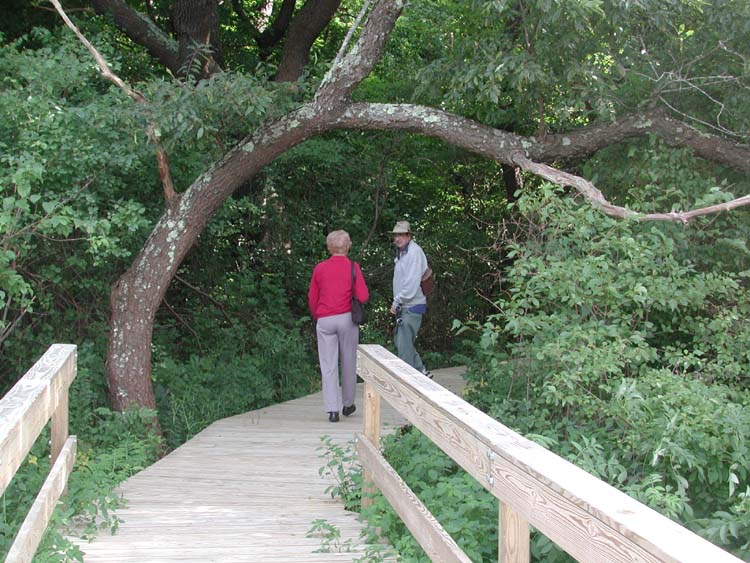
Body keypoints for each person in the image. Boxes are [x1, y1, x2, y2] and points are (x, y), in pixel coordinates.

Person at [308, 230, 369, 422]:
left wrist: (318, 315)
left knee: (328, 365)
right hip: (346, 319)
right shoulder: (353, 267)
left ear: (329, 247)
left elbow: (312, 297)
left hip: (325, 319)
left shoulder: (320, 268)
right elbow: (363, 296)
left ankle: (332, 409)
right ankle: (348, 404)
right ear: (348, 246)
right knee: (349, 360)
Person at [389, 221, 431, 378]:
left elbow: (411, 285)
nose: (398, 238)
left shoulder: (413, 253)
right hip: (406, 305)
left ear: (409, 235)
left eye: (401, 235)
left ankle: (408, 380)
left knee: (404, 345)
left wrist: (397, 301)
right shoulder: (403, 252)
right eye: (396, 235)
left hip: (412, 305)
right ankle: (420, 371)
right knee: (402, 342)